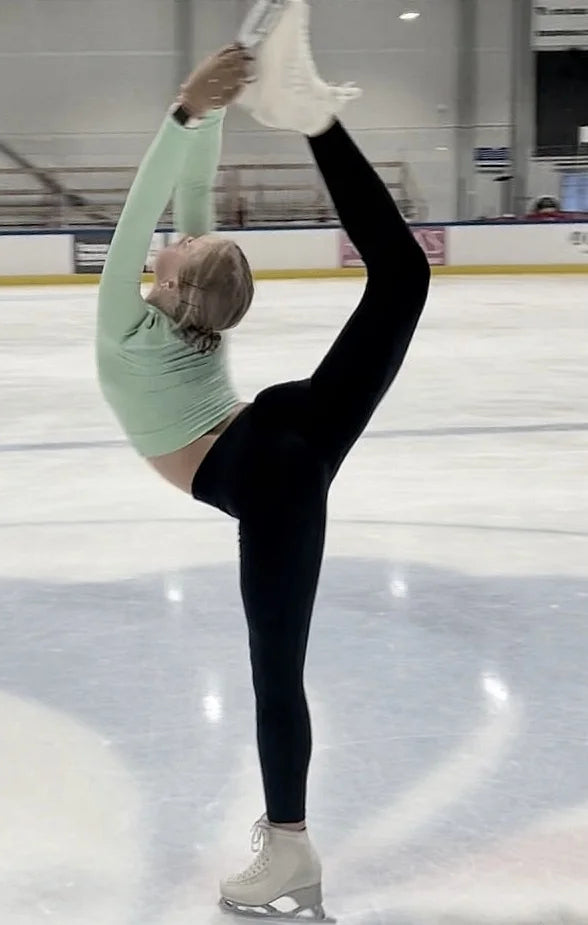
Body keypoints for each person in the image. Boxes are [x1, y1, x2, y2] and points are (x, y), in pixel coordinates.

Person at [96, 1, 431, 919]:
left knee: (274, 668)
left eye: (178, 250)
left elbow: (153, 210)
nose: (170, 239)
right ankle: (311, 114)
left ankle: (290, 850)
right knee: (403, 278)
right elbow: (176, 212)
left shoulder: (135, 318)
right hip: (273, 442)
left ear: (171, 287)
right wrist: (196, 115)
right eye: (178, 247)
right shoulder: (159, 316)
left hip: (269, 468)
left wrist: (188, 113)